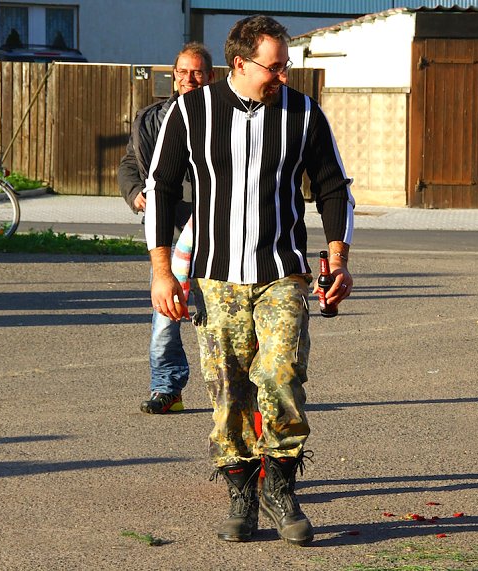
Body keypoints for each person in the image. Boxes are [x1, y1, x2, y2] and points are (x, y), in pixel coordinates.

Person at [144, 15, 354, 545]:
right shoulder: (191, 112)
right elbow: (162, 189)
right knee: (228, 392)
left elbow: (332, 187)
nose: (284, 76)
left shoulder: (304, 113)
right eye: (274, 67)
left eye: (285, 66)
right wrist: (162, 272)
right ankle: (241, 493)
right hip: (215, 278)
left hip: (283, 271)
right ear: (239, 63)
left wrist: (338, 257)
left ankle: (280, 486)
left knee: (281, 375)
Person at [117, 42, 214, 414]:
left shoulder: (225, 118)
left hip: (213, 235)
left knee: (213, 318)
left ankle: (231, 390)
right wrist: (136, 193)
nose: (189, 79)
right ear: (174, 76)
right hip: (170, 238)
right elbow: (129, 164)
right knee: (165, 317)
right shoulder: (153, 118)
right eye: (183, 72)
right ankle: (167, 389)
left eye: (198, 72)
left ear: (211, 76)